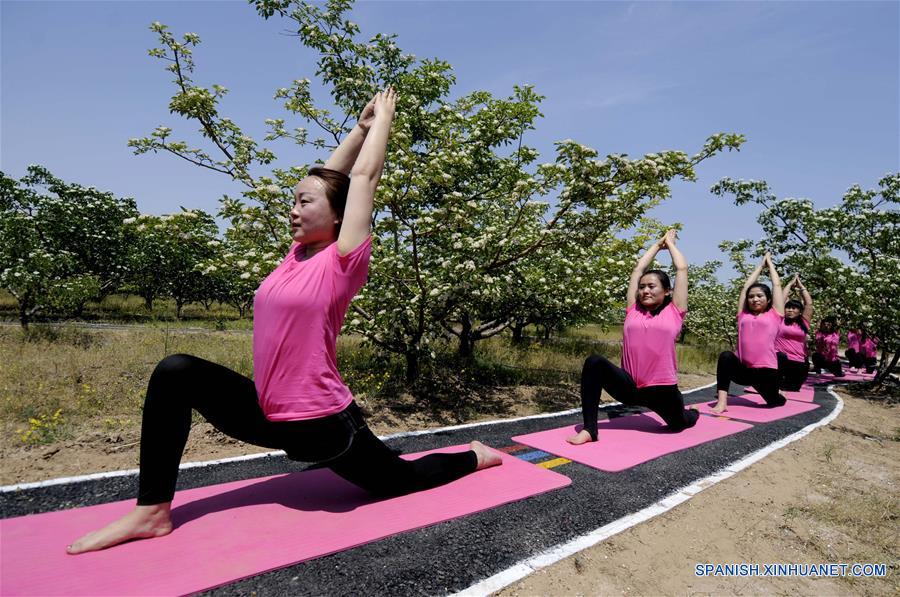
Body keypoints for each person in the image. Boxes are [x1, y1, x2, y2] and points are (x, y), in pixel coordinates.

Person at [67, 89, 501, 555]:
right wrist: (357, 128)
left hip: (323, 425)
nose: (293, 210)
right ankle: (152, 511)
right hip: (268, 414)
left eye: (304, 203)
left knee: (400, 478)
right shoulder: (295, 256)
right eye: (293, 201)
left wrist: (383, 123)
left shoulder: (342, 261)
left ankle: (476, 455)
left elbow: (361, 178)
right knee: (176, 371)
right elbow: (330, 180)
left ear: (337, 217)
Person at [567, 229, 699, 445]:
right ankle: (590, 430)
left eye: (652, 286)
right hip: (629, 387)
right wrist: (657, 246)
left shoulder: (675, 312)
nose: (645, 290)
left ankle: (692, 413)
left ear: (667, 291)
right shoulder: (633, 310)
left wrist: (671, 244)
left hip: (662, 390)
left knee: (680, 423)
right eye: (642, 287)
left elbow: (681, 268)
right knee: (594, 363)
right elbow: (638, 269)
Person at [711, 253, 787, 413]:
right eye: (751, 297)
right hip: (744, 370)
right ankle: (722, 402)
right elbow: (746, 287)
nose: (755, 299)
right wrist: (760, 266)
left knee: (775, 402)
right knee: (726, 356)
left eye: (760, 296)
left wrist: (770, 264)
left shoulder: (775, 314)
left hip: (767, 372)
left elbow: (777, 285)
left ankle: (778, 394)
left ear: (768, 299)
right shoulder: (743, 315)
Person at [774, 275, 812, 390]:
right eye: (788, 308)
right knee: (777, 387)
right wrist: (789, 285)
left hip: (798, 362)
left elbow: (808, 304)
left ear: (800, 311)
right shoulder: (779, 319)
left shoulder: (804, 322)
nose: (790, 310)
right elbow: (780, 300)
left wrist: (801, 286)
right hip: (780, 361)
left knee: (793, 388)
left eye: (794, 308)